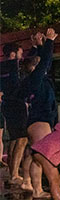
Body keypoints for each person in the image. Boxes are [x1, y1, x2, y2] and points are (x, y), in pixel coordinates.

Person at [18, 28, 59, 197]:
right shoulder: (34, 79)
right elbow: (44, 62)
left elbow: (40, 62)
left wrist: (37, 45)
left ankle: (37, 189)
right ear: (34, 67)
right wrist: (49, 41)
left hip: (37, 121)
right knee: (44, 158)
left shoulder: (33, 79)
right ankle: (41, 190)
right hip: (40, 122)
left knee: (37, 157)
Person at [1, 42, 27, 184]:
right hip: (16, 104)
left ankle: (12, 171)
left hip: (7, 104)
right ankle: (15, 174)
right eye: (20, 53)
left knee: (13, 138)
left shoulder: (1, 67)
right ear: (13, 54)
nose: (21, 57)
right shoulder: (13, 67)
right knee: (22, 139)